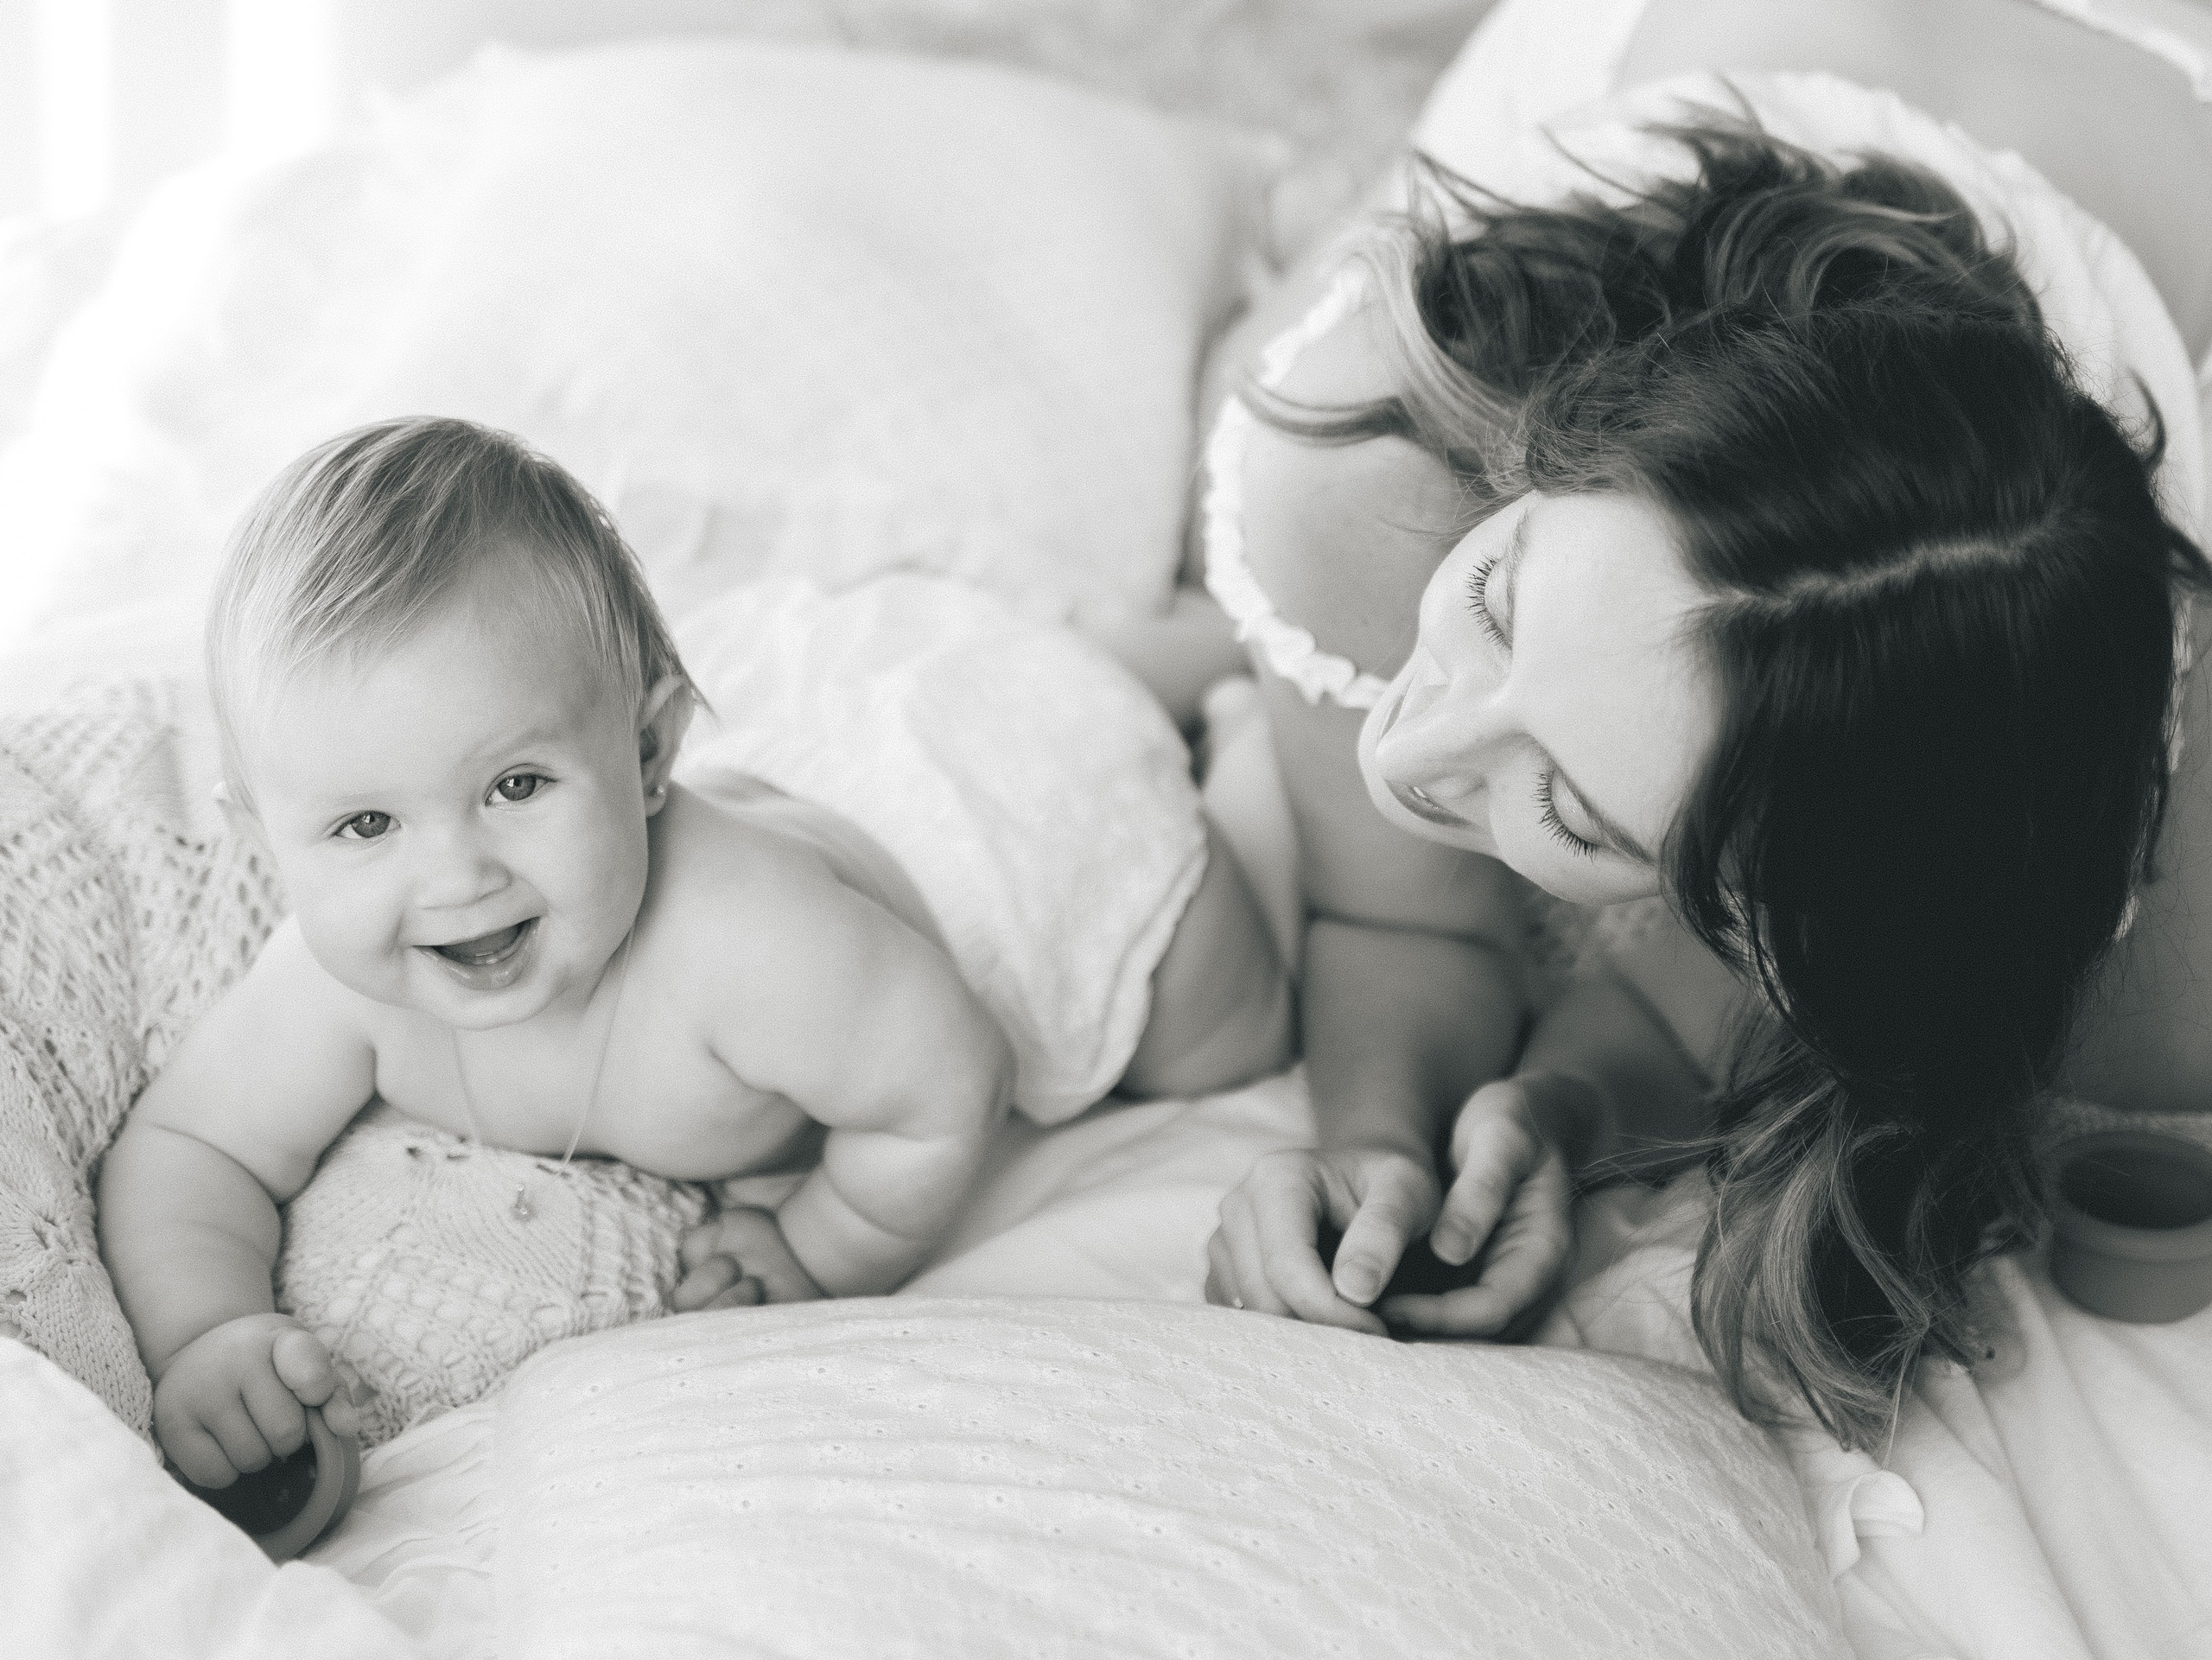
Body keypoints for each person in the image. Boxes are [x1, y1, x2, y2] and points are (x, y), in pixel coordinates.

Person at [1197, 0, 2211, 1446]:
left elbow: (1812, 1000)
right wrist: (1368, 1138)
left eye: (1570, 809)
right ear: (1552, 454)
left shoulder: (2149, 911)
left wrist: (1563, 1110)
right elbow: (1399, 920)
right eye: (1491, 603)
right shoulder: (1384, 445)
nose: (1403, 754)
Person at [99, 416, 1291, 1488]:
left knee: (1226, 1030)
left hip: (1001, 842)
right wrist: (206, 1332)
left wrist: (824, 1244)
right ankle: (1153, 652)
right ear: (266, 840)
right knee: (983, 674)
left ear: (650, 753)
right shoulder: (330, 985)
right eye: (366, 825)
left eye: (517, 785)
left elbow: (949, 1082)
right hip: (819, 796)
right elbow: (191, 1144)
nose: (457, 876)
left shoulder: (745, 946)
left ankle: (1234, 706)